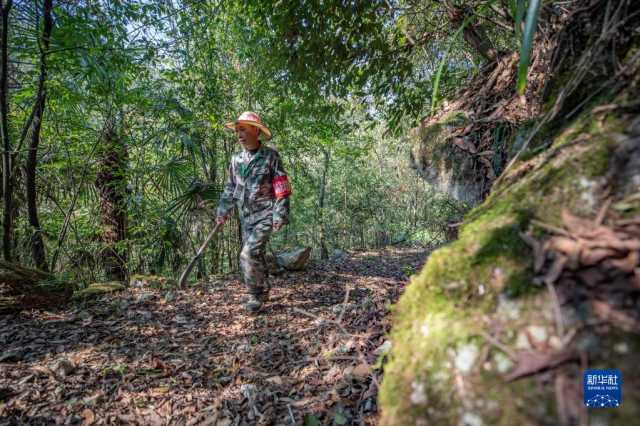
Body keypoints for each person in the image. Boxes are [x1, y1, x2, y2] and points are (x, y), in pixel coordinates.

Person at [216, 112, 291, 313]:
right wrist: (223, 211)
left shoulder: (271, 156)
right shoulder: (236, 160)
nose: (239, 134)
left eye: (244, 129)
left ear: (256, 131)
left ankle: (254, 296)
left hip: (266, 213)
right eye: (237, 130)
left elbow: (281, 186)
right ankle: (264, 289)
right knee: (256, 254)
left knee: (247, 254)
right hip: (246, 216)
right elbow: (231, 187)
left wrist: (279, 213)